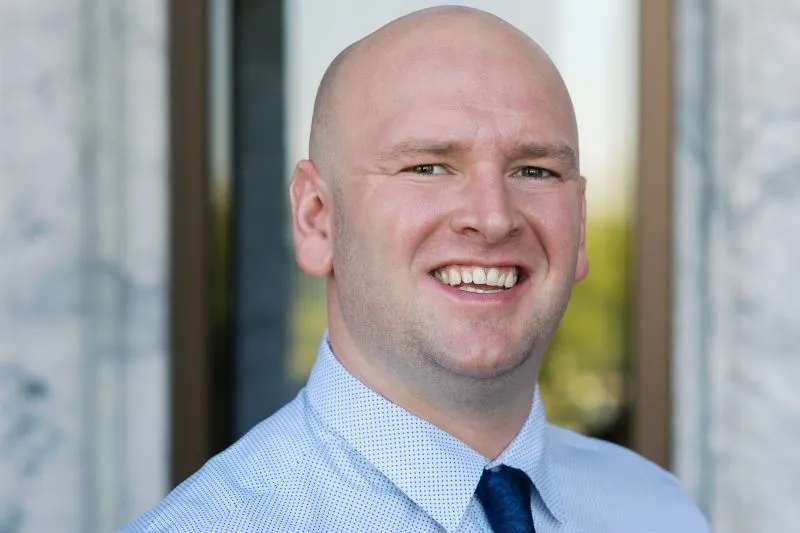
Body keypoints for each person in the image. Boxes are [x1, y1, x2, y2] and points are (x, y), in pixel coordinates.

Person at [121, 6, 710, 533]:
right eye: (429, 167)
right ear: (318, 219)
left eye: (535, 171)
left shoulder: (657, 510)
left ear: (578, 224)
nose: (493, 217)